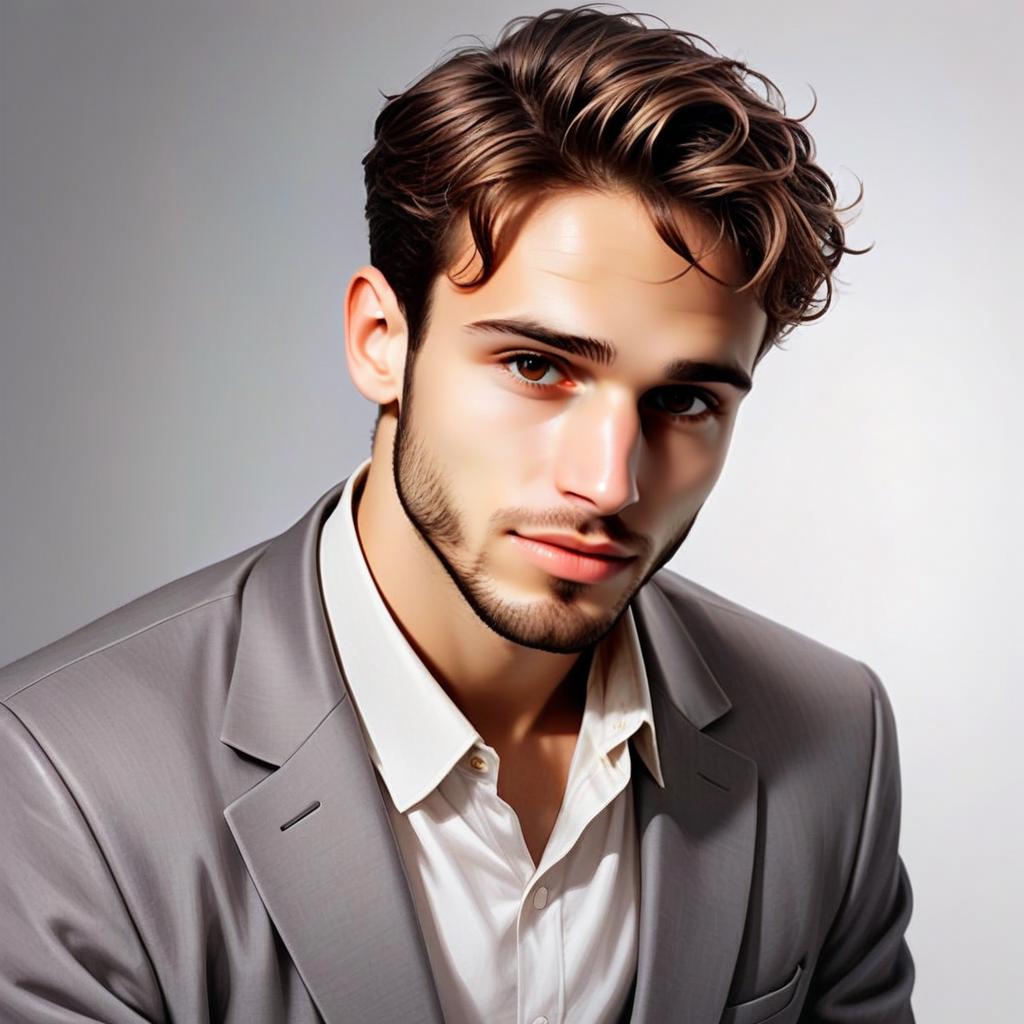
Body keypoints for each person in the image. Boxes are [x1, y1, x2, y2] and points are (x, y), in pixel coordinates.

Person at [0, 6, 914, 1023]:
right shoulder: (61, 783)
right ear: (380, 340)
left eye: (685, 400)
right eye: (536, 367)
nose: (608, 482)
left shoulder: (832, 740)